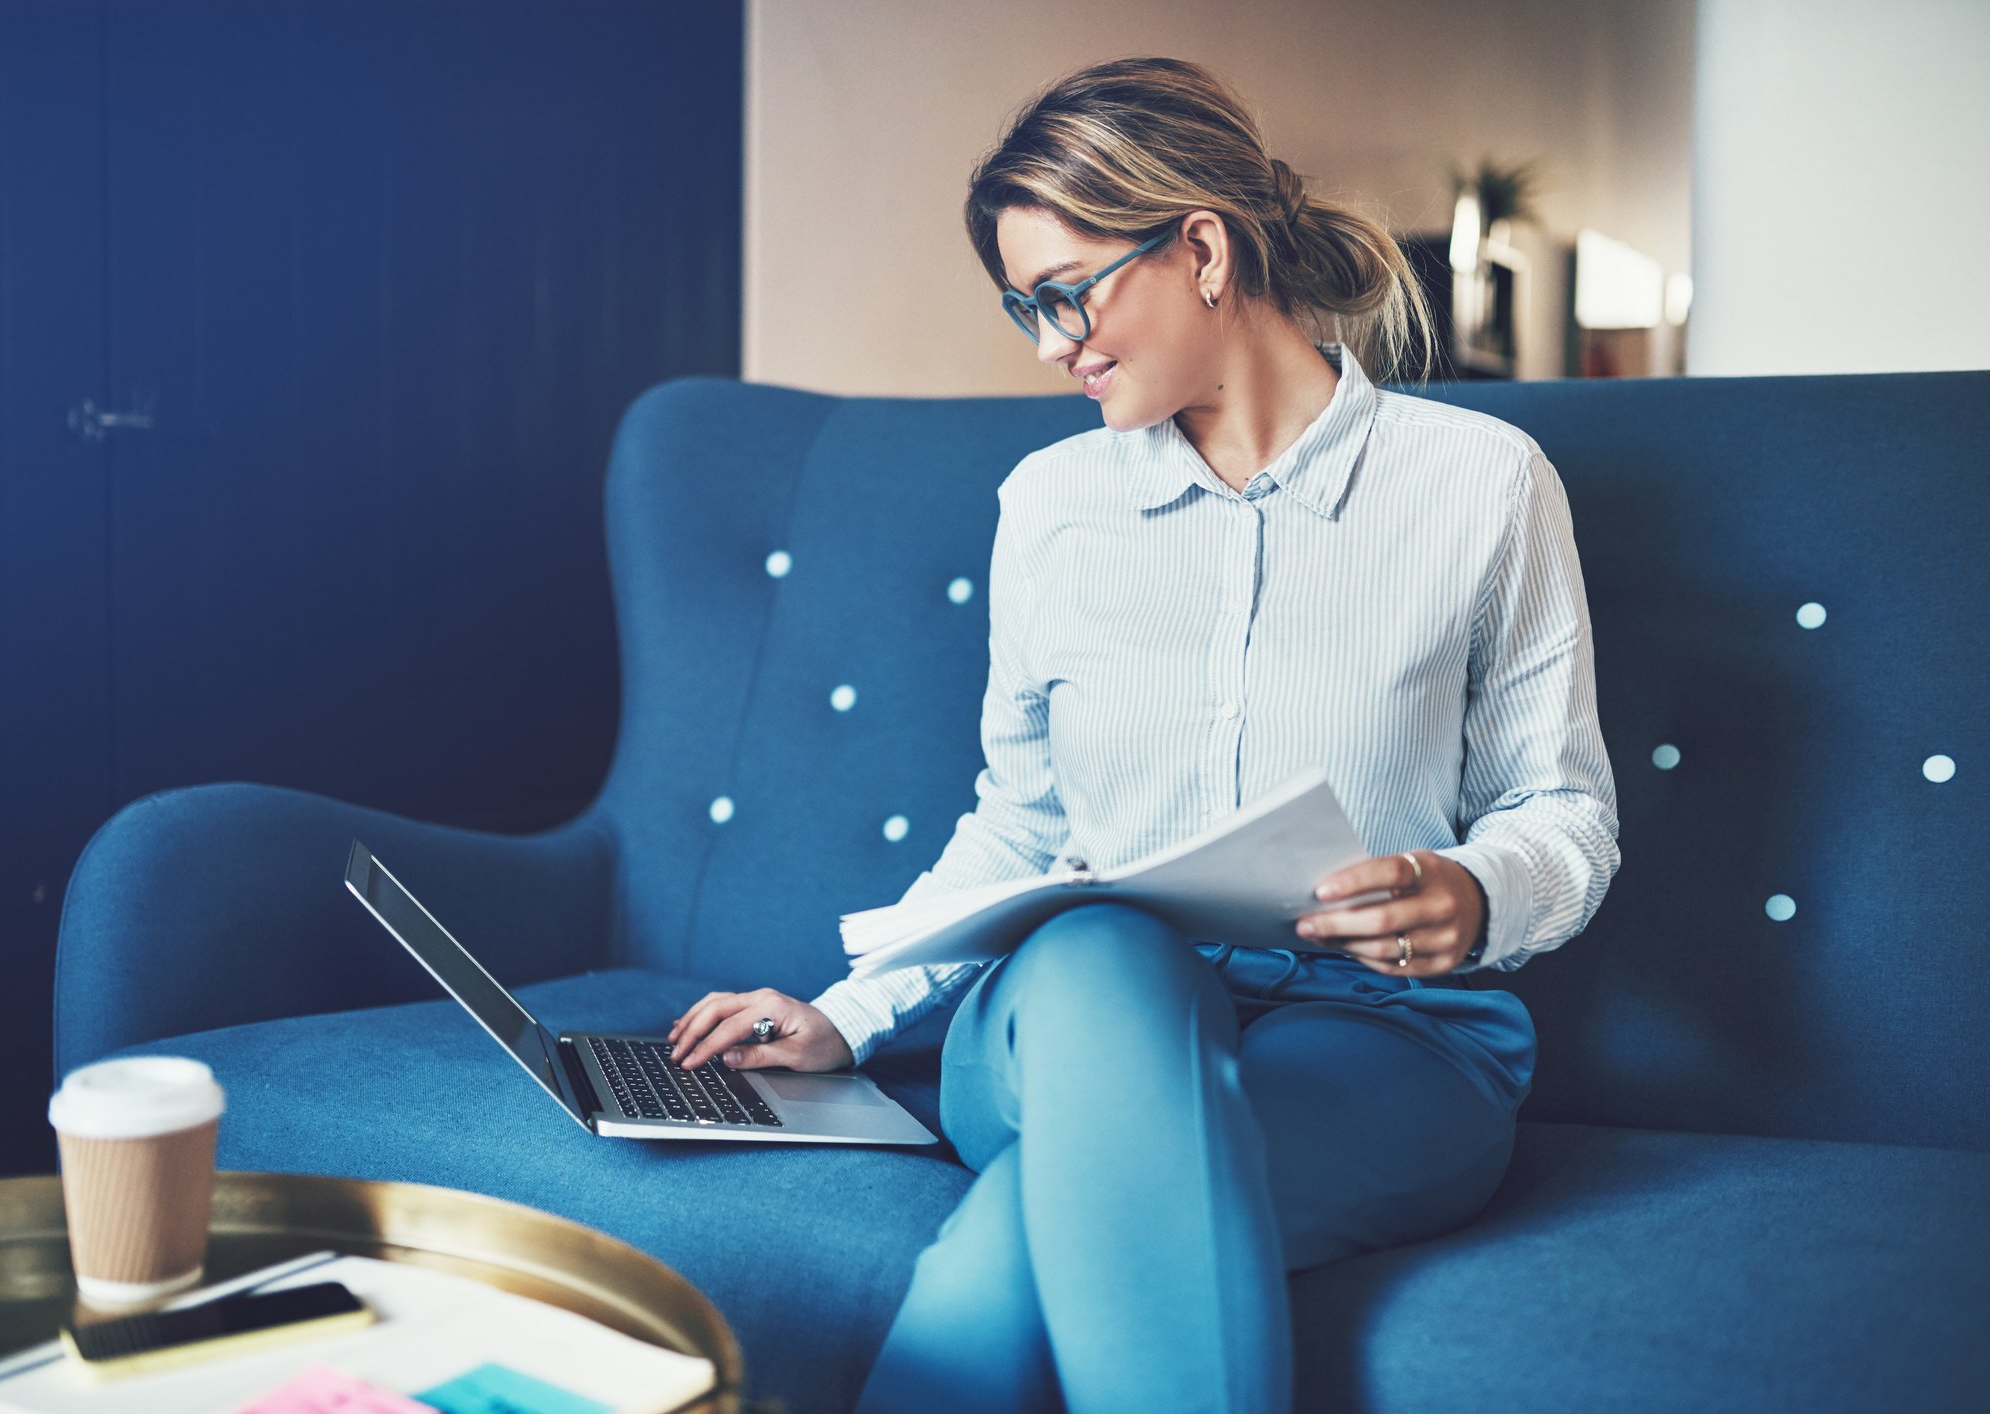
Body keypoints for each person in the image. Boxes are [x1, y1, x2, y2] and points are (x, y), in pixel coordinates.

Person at [666, 55, 1620, 1414]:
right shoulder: (1051, 504)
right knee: (1106, 946)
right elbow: (1022, 821)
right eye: (1023, 308)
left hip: (1386, 1043)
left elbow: (1563, 802)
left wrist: (1475, 887)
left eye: (1067, 292)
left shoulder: (1481, 486)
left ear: (1204, 249)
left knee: (1014, 1250)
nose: (1050, 341)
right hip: (1065, 1017)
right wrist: (840, 1014)